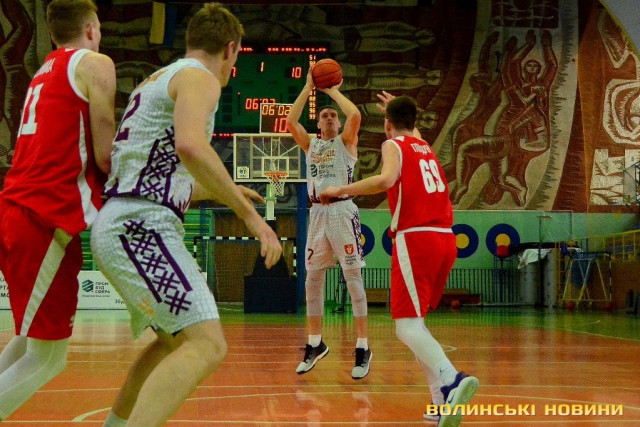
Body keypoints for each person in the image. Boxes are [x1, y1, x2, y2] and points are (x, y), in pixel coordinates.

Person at [90, 4, 282, 427]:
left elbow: (158, 173)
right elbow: (191, 146)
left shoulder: (158, 79)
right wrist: (250, 216)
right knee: (208, 344)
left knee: (172, 342)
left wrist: (221, 191)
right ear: (230, 49)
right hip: (140, 226)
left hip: (124, 220)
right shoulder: (201, 78)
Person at [320, 92, 479, 427]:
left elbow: (386, 180)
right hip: (445, 238)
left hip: (416, 238)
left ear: (387, 124)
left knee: (406, 327)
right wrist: (398, 111)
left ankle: (452, 379)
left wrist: (340, 190)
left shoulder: (392, 145)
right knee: (416, 325)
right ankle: (440, 403)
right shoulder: (425, 147)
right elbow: (411, 132)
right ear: (413, 121)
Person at [0, 0, 116, 420]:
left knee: (28, 343)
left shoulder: (44, 71)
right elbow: (106, 156)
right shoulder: (96, 63)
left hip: (24, 211)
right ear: (91, 29)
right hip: (42, 218)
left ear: (52, 35)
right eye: (98, 28)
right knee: (48, 358)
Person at [286, 69, 371, 379]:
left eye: (334, 115)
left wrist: (332, 91)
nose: (331, 117)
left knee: (352, 277)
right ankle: (315, 343)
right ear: (319, 125)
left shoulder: (346, 142)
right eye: (325, 116)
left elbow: (355, 116)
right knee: (312, 279)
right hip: (317, 214)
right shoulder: (311, 145)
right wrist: (308, 87)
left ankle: (362, 347)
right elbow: (291, 122)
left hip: (342, 211)